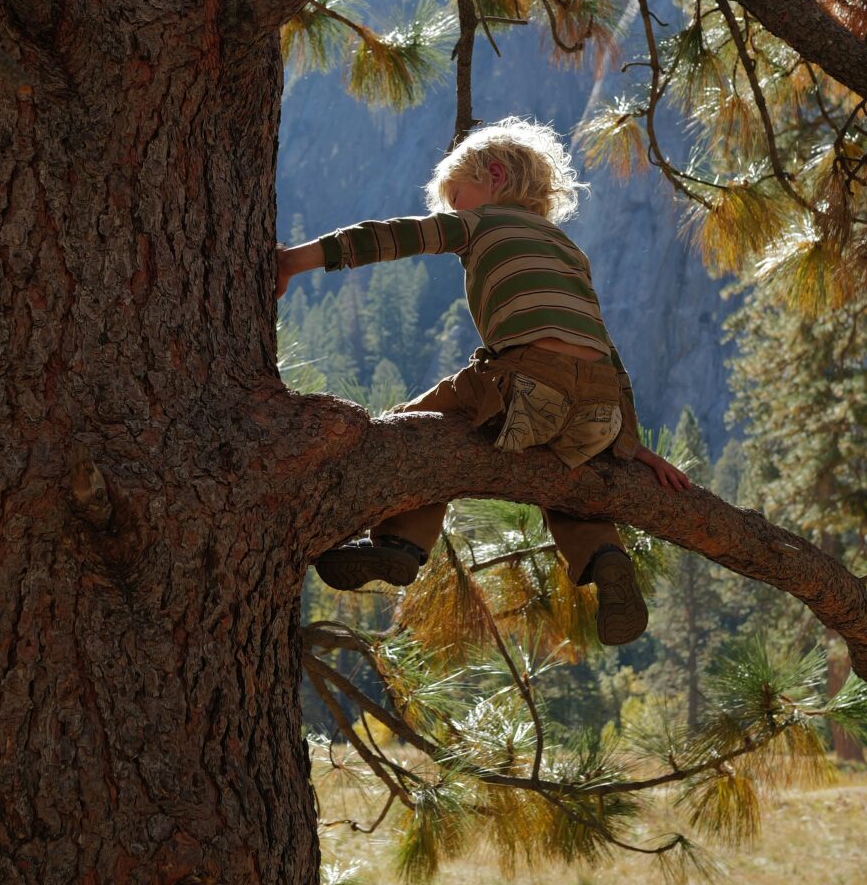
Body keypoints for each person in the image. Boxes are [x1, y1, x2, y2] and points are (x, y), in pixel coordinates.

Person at [277, 116, 691, 644]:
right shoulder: (570, 251)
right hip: (599, 407)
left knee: (418, 428)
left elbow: (393, 237)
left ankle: (401, 546)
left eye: (455, 196)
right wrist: (631, 446)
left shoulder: (480, 224)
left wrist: (293, 261)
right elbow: (611, 357)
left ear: (493, 176)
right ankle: (605, 556)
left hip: (529, 382)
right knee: (567, 483)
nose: (451, 210)